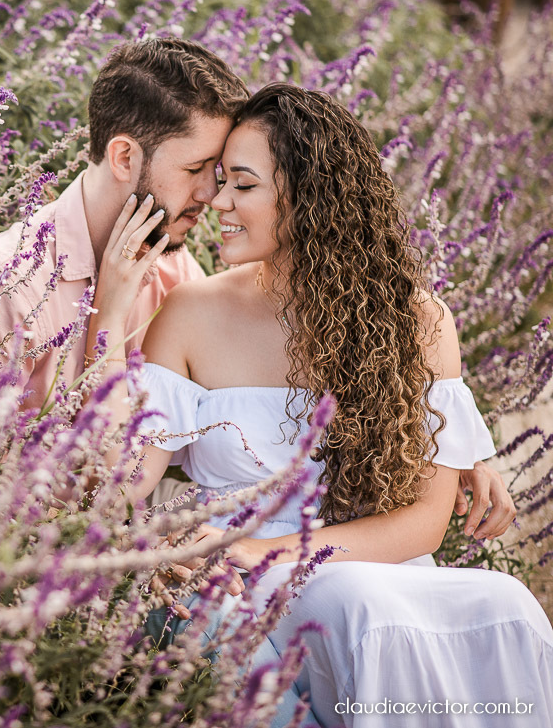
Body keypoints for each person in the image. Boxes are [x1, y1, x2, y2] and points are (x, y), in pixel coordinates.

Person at [104, 82, 553, 725]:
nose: (218, 202)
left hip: (364, 566)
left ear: (309, 200)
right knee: (359, 604)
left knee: (503, 604)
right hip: (230, 583)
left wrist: (260, 551)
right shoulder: (193, 313)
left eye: (243, 185)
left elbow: (425, 524)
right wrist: (112, 316)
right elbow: (126, 480)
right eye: (218, 180)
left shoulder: (418, 323)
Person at [0, 38, 515, 542]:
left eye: (229, 178)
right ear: (126, 157)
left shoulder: (174, 272)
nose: (212, 195)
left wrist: (444, 452)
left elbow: (238, 394)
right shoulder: (4, 284)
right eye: (200, 169)